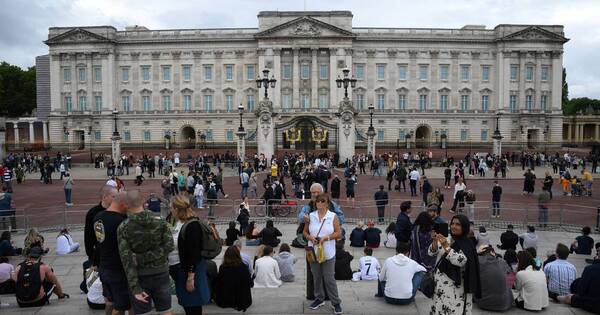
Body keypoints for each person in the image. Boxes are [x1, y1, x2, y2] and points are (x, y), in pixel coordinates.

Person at [117, 190, 175, 315]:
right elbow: (169, 246)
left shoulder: (123, 227)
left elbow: (126, 260)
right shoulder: (160, 221)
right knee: (166, 311)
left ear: (126, 204)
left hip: (140, 276)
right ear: (144, 202)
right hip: (161, 272)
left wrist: (135, 287)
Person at [429, 214, 481, 315]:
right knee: (439, 308)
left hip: (455, 289)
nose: (454, 226)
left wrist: (446, 247)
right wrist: (435, 242)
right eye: (452, 223)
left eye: (458, 224)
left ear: (464, 227)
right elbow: (431, 252)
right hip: (440, 286)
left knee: (453, 310)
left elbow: (460, 261)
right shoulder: (446, 238)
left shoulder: (467, 243)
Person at [169, 195, 212, 315]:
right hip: (180, 270)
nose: (170, 210)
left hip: (188, 272)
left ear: (177, 209)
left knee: (193, 305)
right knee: (188, 304)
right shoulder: (179, 223)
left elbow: (194, 253)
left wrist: (190, 278)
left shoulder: (192, 225)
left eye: (171, 207)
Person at [304, 192, 343, 314]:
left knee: (329, 278)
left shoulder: (333, 216)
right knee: (316, 276)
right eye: (318, 201)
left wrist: (326, 238)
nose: (320, 203)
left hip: (328, 252)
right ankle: (319, 298)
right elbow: (305, 232)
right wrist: (310, 238)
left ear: (327, 204)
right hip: (313, 251)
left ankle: (336, 302)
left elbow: (338, 233)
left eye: (322, 201)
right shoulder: (311, 216)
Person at [93, 191, 132, 315]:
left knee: (110, 301)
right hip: (118, 269)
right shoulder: (121, 220)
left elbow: (97, 244)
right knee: (121, 305)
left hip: (104, 266)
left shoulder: (98, 217)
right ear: (123, 204)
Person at [84, 185, 118, 263]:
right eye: (114, 197)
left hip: (116, 255)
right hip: (100, 256)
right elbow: (88, 237)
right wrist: (92, 257)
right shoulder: (93, 213)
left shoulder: (119, 211)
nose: (117, 200)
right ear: (104, 197)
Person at [474, 245, 513, 311]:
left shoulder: (477, 261)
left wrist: (475, 253)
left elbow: (464, 263)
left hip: (484, 303)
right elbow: (510, 273)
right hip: (505, 304)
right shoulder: (502, 261)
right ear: (492, 252)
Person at [214, 246, 253, 312]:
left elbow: (219, 283)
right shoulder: (243, 267)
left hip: (226, 300)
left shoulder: (223, 268)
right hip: (242, 300)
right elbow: (250, 283)